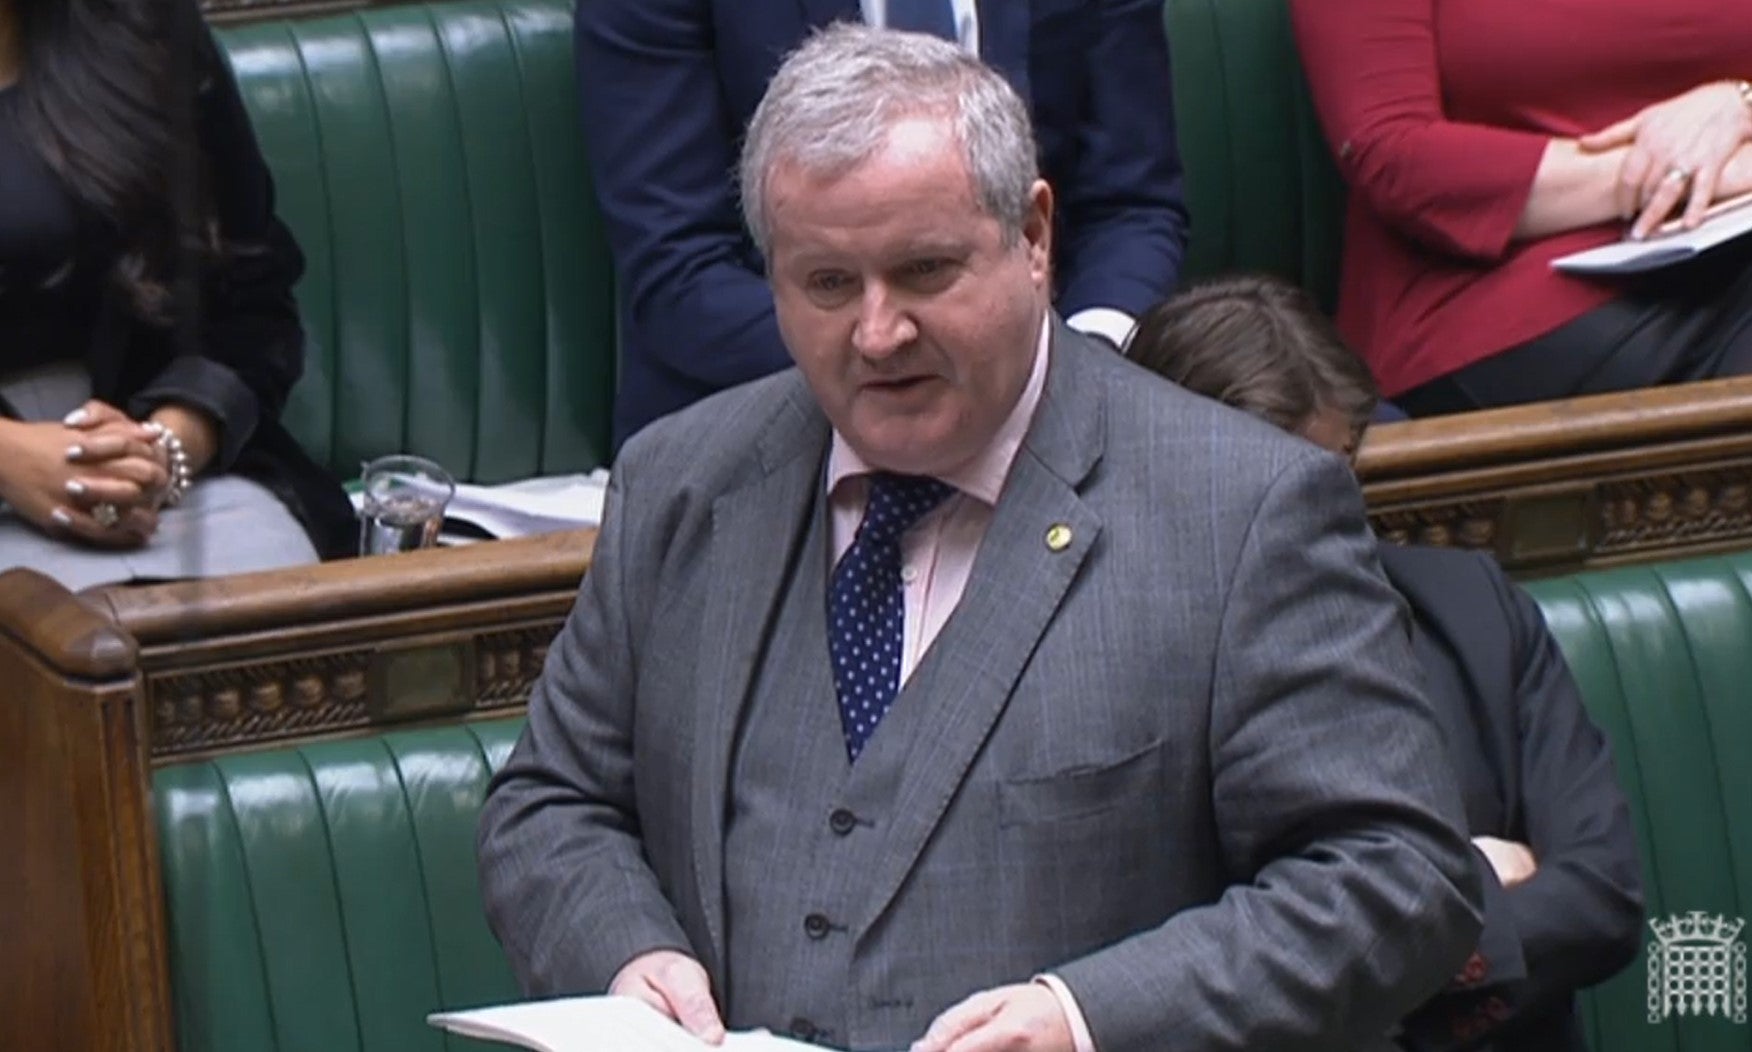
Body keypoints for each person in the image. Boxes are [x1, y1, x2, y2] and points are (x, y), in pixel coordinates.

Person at [481, 25, 1482, 1052]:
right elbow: (552, 803)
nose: (877, 333)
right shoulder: (680, 483)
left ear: (1036, 235)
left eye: (923, 270)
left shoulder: (1243, 508)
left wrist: (1092, 1016)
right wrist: (622, 951)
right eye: (826, 284)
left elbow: (1397, 873)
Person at [1129, 274, 1646, 1052]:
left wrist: (1375, 938)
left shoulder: (1468, 608)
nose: (1320, 520)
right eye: (1275, 491)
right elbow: (1168, 972)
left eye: (1338, 472)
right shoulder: (1116, 665)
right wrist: (1458, 888)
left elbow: (1601, 898)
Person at [576, 0, 1188, 449]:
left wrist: (1077, 369)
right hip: (772, 427)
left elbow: (1131, 208)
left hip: (1052, 410)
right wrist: (931, 369)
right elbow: (680, 270)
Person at [1290, 0, 1752, 416]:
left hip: (1741, 243)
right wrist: (1665, 175)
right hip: (1499, 294)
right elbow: (1393, 154)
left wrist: (1741, 106)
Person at [0, 0, 355, 589]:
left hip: (173, 494)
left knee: (275, 638)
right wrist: (10, 460)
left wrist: (163, 448)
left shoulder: (145, 29)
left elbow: (254, 304)